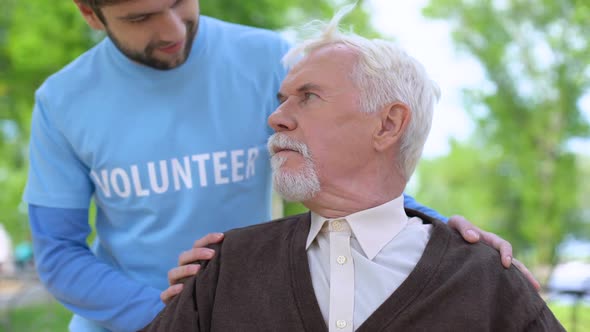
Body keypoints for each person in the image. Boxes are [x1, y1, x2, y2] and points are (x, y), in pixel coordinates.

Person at [23, 1, 535, 331]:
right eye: (140, 18)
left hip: (255, 305)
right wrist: (180, 314)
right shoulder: (62, 101)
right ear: (91, 15)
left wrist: (431, 229)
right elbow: (59, 252)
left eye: (179, 1)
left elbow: (349, 157)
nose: (172, 28)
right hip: (139, 319)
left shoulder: (269, 57)